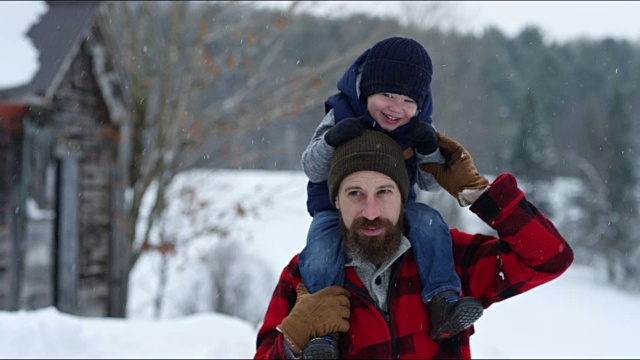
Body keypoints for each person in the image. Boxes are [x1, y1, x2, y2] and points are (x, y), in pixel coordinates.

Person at [254, 130, 574, 358]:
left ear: (404, 197)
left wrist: (479, 194)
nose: (371, 211)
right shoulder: (303, 277)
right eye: (355, 194)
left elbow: (548, 258)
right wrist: (292, 344)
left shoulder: (448, 259)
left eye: (384, 192)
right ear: (335, 201)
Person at [298, 36, 481, 354]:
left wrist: (429, 150)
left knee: (429, 221)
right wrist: (331, 141)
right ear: (366, 89)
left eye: (409, 101)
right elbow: (312, 169)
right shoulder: (341, 113)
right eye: (387, 94)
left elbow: (431, 184)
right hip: (334, 210)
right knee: (321, 252)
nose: (397, 108)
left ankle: (442, 301)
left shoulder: (419, 126)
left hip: (396, 209)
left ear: (421, 103)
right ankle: (322, 332)